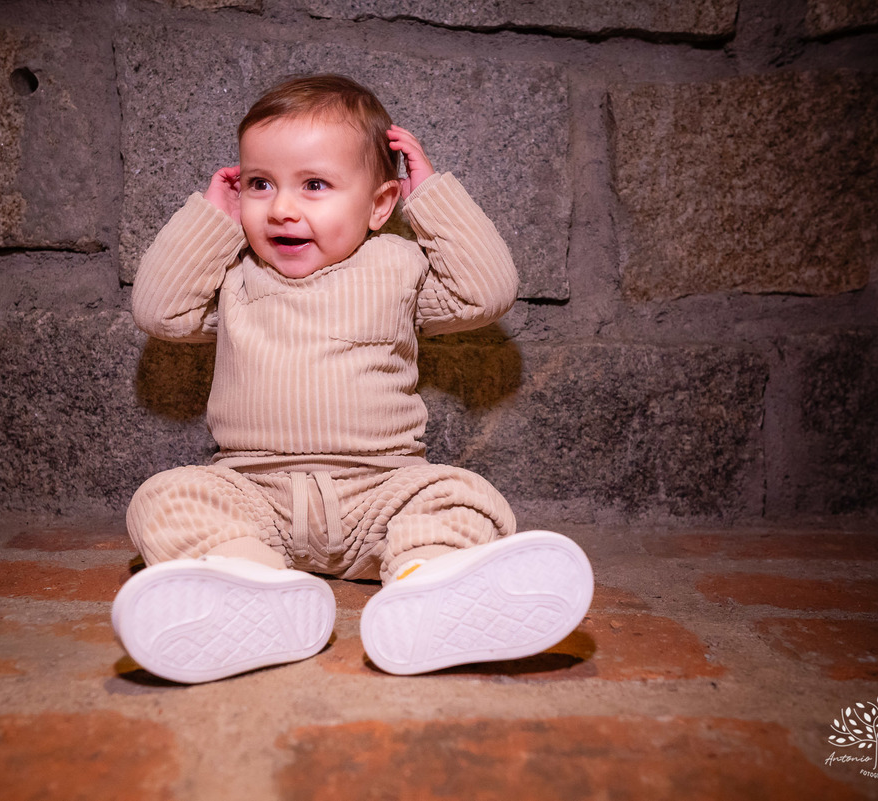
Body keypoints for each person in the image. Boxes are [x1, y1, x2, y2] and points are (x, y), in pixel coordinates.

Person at [112, 74, 593, 683]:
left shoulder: (399, 267)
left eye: (314, 185)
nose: (282, 207)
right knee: (164, 498)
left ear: (379, 204)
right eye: (260, 184)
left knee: (461, 496)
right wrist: (212, 221)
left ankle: (428, 582)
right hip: (255, 493)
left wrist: (433, 198)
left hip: (382, 493)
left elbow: (487, 292)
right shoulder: (234, 276)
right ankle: (249, 584)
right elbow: (160, 313)